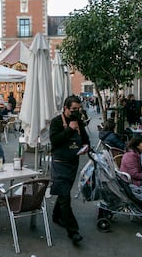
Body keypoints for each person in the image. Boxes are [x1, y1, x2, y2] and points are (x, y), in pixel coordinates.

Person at [50, 95, 90, 244]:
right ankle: (73, 231)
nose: (76, 112)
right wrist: (69, 130)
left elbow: (86, 140)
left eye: (78, 109)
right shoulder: (56, 122)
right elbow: (54, 140)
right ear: (65, 108)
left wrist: (86, 147)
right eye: (73, 109)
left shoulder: (79, 121)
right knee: (65, 196)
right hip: (60, 163)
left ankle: (56, 215)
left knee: (63, 193)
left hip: (73, 164)